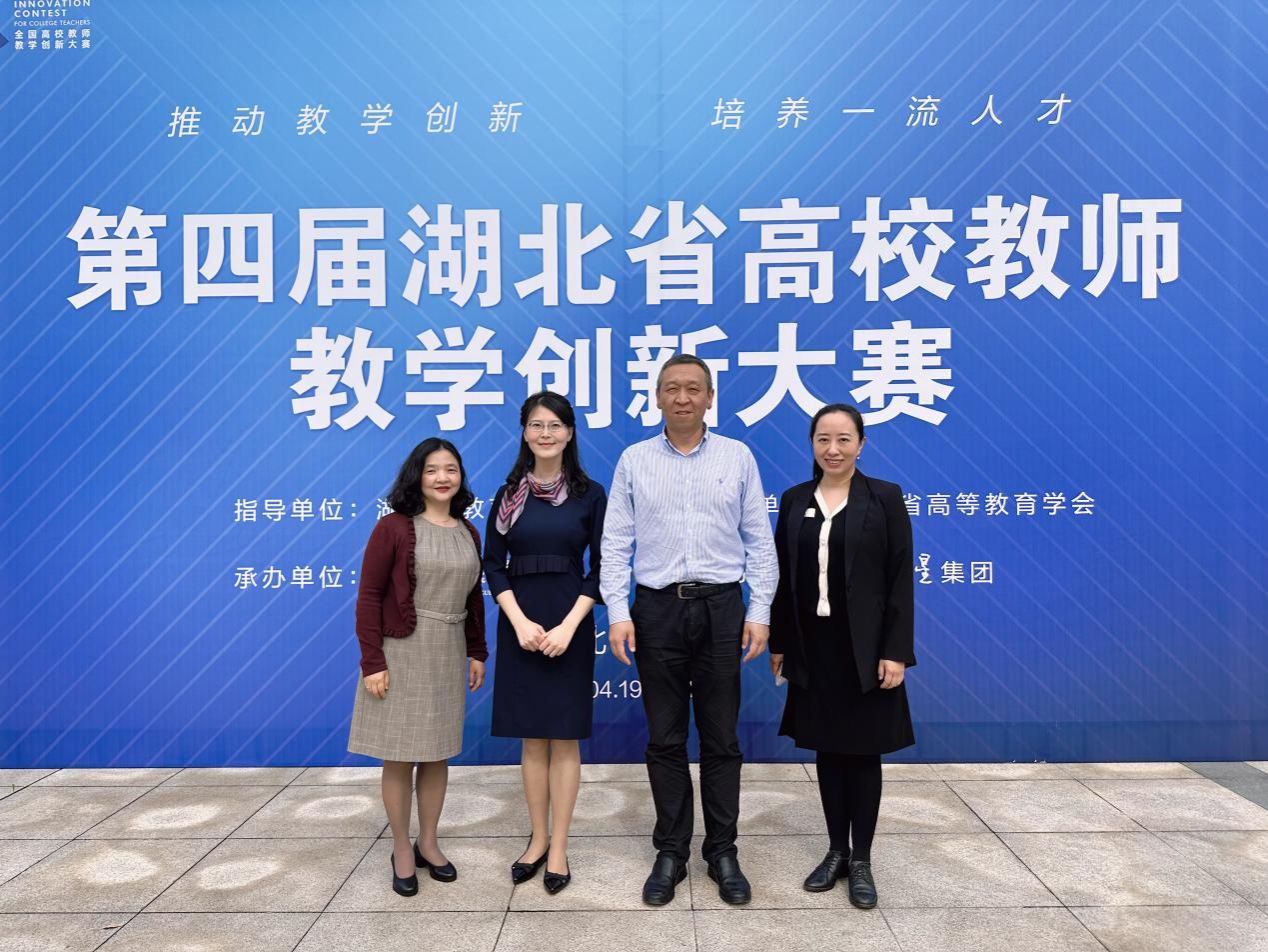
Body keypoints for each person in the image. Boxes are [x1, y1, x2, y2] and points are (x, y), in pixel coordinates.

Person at [600, 354, 778, 907]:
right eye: (672, 388)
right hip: (656, 610)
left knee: (722, 739)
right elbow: (615, 543)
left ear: (709, 397)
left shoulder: (737, 456)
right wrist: (618, 611)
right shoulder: (634, 460)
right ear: (657, 397)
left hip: (723, 608)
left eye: (693, 388)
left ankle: (722, 850)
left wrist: (760, 611)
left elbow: (759, 540)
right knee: (665, 738)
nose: (683, 397)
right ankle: (671, 851)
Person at [768, 403, 916, 910]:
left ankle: (863, 861)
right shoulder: (794, 500)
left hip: (867, 650)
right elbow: (783, 578)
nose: (833, 449)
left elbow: (900, 579)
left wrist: (895, 652)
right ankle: (836, 851)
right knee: (828, 751)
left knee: (863, 752)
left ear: (861, 444)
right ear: (812, 444)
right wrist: (780, 643)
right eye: (823, 439)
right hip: (814, 647)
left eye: (843, 439)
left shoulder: (885, 497)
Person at [348, 437, 488, 897]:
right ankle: (400, 847)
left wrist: (477, 651)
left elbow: (473, 598)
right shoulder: (393, 527)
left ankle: (428, 842)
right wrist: (373, 661)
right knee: (400, 753)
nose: (442, 478)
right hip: (401, 651)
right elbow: (369, 596)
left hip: (447, 649)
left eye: (451, 469)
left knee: (436, 752)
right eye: (432, 470)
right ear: (417, 476)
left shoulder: (468, 531)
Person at [484, 391, 606, 895]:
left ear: (570, 433)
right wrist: (518, 622)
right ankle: (537, 840)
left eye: (555, 425)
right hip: (521, 623)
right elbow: (493, 565)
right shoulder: (508, 494)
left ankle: (560, 847)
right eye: (537, 424)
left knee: (564, 737)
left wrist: (569, 626)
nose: (546, 433)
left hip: (568, 623)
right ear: (525, 432)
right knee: (532, 739)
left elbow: (603, 568)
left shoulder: (590, 494)